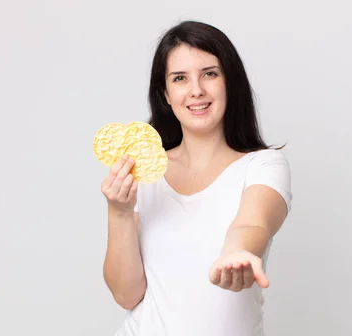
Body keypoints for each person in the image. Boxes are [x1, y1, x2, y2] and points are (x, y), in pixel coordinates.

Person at [100, 20, 292, 336]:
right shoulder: (145, 174)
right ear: (165, 93)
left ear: (230, 81)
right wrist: (119, 212)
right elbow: (126, 295)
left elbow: (252, 223)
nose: (196, 90)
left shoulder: (264, 165)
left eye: (210, 73)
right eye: (180, 78)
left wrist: (238, 252)